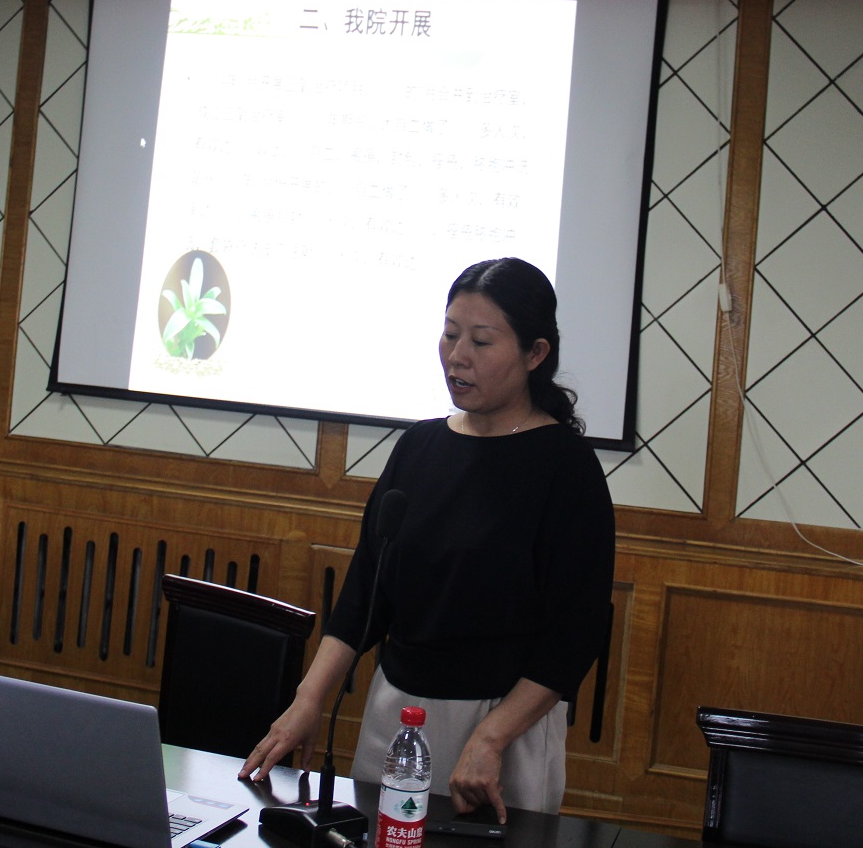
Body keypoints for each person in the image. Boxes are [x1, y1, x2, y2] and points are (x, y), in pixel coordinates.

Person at [239, 257, 615, 822]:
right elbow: (364, 596)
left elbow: (574, 635)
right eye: (449, 334)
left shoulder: (567, 467)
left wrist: (491, 737)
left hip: (503, 731)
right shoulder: (418, 448)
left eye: (481, 341)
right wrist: (307, 700)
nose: (457, 356)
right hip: (396, 715)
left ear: (535, 353)